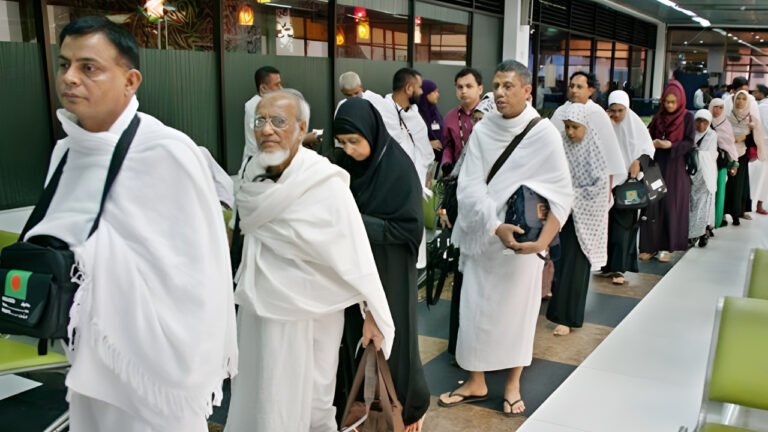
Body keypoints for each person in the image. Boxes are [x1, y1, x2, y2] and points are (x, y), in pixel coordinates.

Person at [29, 16, 238, 431]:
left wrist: (93, 262)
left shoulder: (166, 151)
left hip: (155, 364)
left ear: (131, 80)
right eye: (63, 64)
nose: (70, 78)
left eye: (89, 67)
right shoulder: (66, 153)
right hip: (90, 351)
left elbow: (201, 270)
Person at [225, 90, 395, 431]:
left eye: (279, 121)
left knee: (313, 398)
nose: (267, 129)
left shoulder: (323, 181)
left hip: (312, 310)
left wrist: (372, 310)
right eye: (260, 121)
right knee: (262, 390)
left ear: (301, 129)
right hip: (260, 306)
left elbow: (355, 250)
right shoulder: (250, 174)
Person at [437, 60, 573, 417]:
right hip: (485, 237)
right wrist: (494, 226)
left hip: (524, 245)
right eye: (496, 86)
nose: (498, 93)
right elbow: (469, 186)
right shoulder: (484, 131)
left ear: (527, 91)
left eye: (507, 86)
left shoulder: (544, 134)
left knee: (518, 315)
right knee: (475, 310)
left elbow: (562, 193)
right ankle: (476, 380)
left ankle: (512, 385)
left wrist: (541, 243)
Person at [334, 97, 431, 432]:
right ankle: (359, 407)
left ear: (372, 135)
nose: (348, 150)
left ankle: (406, 407)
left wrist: (356, 222)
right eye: (342, 142)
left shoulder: (398, 169)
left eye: (354, 142)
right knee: (354, 336)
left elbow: (409, 228)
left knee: (394, 337)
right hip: (350, 269)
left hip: (389, 268)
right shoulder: (340, 166)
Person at [546, 103, 612, 336]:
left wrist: (572, 195)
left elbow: (600, 187)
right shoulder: (562, 144)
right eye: (567, 127)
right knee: (561, 264)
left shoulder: (594, 148)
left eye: (575, 127)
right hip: (563, 214)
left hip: (585, 217)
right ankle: (556, 314)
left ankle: (570, 318)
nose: (570, 132)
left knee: (576, 269)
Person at [377, 68, 434, 269]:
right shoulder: (381, 110)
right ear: (409, 88)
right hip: (388, 184)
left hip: (412, 183)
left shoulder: (415, 117)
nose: (422, 91)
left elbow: (424, 150)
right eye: (418, 87)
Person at [601, 90, 655, 285]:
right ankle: (607, 266)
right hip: (608, 184)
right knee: (606, 227)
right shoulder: (606, 125)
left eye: (620, 110)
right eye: (612, 110)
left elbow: (648, 150)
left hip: (629, 184)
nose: (616, 114)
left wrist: (639, 161)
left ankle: (619, 269)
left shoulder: (636, 126)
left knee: (623, 228)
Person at [640, 81, 694, 262]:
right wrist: (652, 141)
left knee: (672, 206)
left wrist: (671, 145)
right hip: (657, 166)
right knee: (653, 205)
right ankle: (649, 247)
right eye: (667, 102)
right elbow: (648, 135)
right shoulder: (659, 117)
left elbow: (689, 142)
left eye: (673, 102)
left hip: (676, 167)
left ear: (679, 101)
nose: (669, 105)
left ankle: (668, 247)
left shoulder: (687, 118)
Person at [551, 72, 627, 189]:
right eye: (572, 86)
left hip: (592, 181)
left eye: (579, 87)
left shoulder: (597, 113)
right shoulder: (560, 112)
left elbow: (609, 152)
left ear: (591, 90)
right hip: (563, 179)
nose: (574, 90)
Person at [725, 90, 766, 225]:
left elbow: (755, 138)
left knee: (739, 185)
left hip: (742, 154)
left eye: (743, 99)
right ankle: (723, 212)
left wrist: (745, 137)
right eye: (738, 98)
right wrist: (732, 139)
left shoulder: (751, 118)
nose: (740, 101)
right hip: (726, 153)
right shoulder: (728, 114)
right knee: (726, 184)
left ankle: (737, 213)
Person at [441, 68, 484, 174]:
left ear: (480, 89)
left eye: (469, 86)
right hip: (458, 174)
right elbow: (448, 146)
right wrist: (446, 162)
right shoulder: (450, 117)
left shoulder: (490, 114)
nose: (463, 91)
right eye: (460, 87)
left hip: (484, 174)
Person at [242, 66, 283, 171]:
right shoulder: (256, 107)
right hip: (259, 168)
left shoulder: (268, 105)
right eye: (277, 85)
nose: (281, 89)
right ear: (263, 88)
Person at [688, 109, 718, 247]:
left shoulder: (712, 135)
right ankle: (690, 233)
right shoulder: (690, 133)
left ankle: (700, 233)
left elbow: (709, 155)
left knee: (702, 205)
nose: (701, 125)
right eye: (698, 121)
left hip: (705, 175)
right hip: (690, 174)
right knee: (691, 205)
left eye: (705, 122)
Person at [709, 98, 739, 228]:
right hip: (706, 162)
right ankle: (706, 222)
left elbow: (730, 145)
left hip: (721, 163)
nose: (718, 110)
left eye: (721, 107)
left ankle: (717, 220)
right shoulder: (704, 120)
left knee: (720, 192)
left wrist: (734, 163)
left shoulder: (725, 124)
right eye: (715, 107)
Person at [417, 79, 445, 162]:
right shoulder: (416, 113)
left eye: (438, 92)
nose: (437, 95)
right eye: (434, 92)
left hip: (439, 158)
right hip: (423, 158)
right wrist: (428, 144)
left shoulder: (435, 111)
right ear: (426, 93)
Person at [752, 84, 768, 215]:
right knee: (760, 177)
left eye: (756, 91)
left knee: (762, 177)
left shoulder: (764, 107)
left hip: (764, 145)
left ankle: (758, 203)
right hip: (760, 145)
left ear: (762, 93)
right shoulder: (760, 105)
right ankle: (756, 203)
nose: (754, 93)